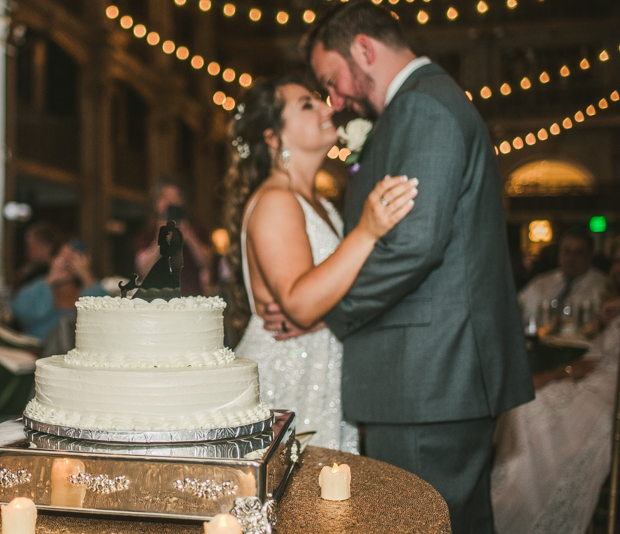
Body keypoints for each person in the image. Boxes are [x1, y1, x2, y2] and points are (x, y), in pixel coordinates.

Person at [256, 3, 534, 532]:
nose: (335, 99)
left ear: (364, 49)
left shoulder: (421, 108)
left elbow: (412, 246)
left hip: (428, 377)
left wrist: (324, 316)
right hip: (430, 377)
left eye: (331, 79)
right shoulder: (421, 104)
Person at [225, 77, 417, 454]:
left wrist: (329, 318)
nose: (328, 108)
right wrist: (366, 232)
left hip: (320, 365)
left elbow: (332, 288)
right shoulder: (276, 200)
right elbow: (297, 302)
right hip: (290, 372)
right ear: (273, 138)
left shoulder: (319, 203)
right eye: (307, 106)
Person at [491, 315, 620, 534]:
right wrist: (556, 374)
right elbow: (589, 362)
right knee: (528, 404)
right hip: (589, 385)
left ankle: (527, 504)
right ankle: (515, 495)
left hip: (611, 402)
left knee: (553, 418)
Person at [12, 238, 107, 341]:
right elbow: (20, 312)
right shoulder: (38, 290)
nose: (69, 264)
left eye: (74, 259)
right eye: (64, 259)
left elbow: (106, 317)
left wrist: (87, 276)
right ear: (52, 259)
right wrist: (50, 279)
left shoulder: (91, 291)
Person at [135, 177, 213, 296]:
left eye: (175, 197)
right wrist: (160, 239)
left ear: (183, 202)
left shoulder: (197, 230)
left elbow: (209, 263)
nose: (170, 202)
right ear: (156, 203)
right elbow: (143, 269)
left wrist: (190, 237)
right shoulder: (148, 233)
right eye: (164, 197)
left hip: (191, 300)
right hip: (157, 300)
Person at [519, 228, 607, 330]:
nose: (571, 258)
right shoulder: (540, 283)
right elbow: (519, 308)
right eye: (567, 251)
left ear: (590, 255)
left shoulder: (603, 287)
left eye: (578, 252)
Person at [14, 221, 64, 290]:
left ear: (44, 247)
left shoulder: (61, 272)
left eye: (30, 247)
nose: (27, 252)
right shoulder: (32, 271)